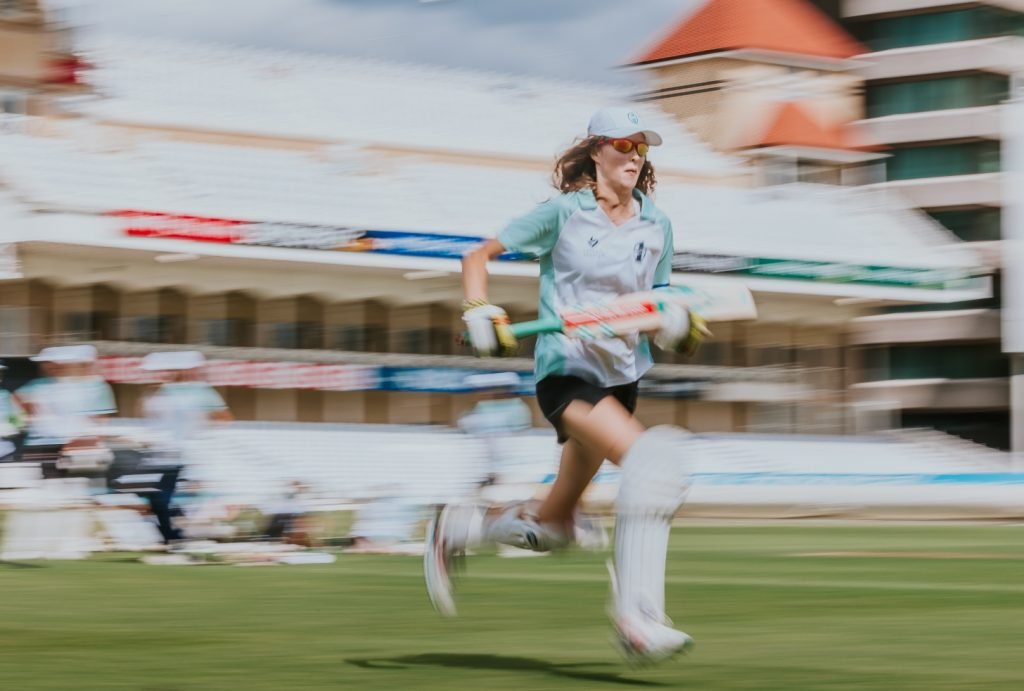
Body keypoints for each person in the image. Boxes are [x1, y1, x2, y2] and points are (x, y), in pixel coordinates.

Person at [424, 106, 710, 665]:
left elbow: (662, 302)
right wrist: (479, 309)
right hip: (567, 370)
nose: (634, 157)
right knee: (657, 465)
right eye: (624, 146)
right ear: (597, 150)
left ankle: (458, 526)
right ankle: (638, 619)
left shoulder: (659, 224)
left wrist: (678, 324)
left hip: (623, 376)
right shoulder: (563, 213)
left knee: (555, 527)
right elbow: (476, 256)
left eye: (641, 148)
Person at [133, 350, 232, 543]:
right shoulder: (158, 393)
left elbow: (224, 418)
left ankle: (180, 537)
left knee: (177, 500)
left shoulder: (198, 391)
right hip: (162, 455)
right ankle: (174, 537)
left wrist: (199, 427)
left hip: (184, 456)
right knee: (161, 500)